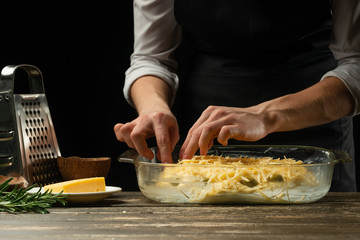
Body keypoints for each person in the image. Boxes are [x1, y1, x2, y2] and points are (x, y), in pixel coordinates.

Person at [114, 0, 360, 192]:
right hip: (204, 133)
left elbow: (356, 65)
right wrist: (154, 107)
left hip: (314, 121)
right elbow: (151, 59)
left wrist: (265, 115)